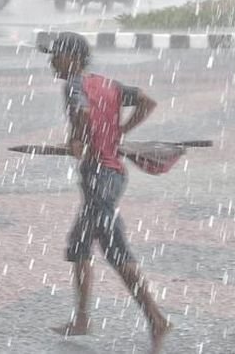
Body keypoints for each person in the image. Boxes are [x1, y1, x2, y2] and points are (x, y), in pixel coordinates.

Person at [41, 31, 171, 352]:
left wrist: (78, 139)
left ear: (72, 58)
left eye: (55, 54)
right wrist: (121, 130)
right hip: (109, 173)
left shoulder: (73, 85)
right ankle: (83, 318)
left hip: (101, 176)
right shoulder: (107, 83)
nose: (51, 61)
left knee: (115, 250)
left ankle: (156, 318)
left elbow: (83, 113)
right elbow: (146, 100)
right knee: (80, 246)